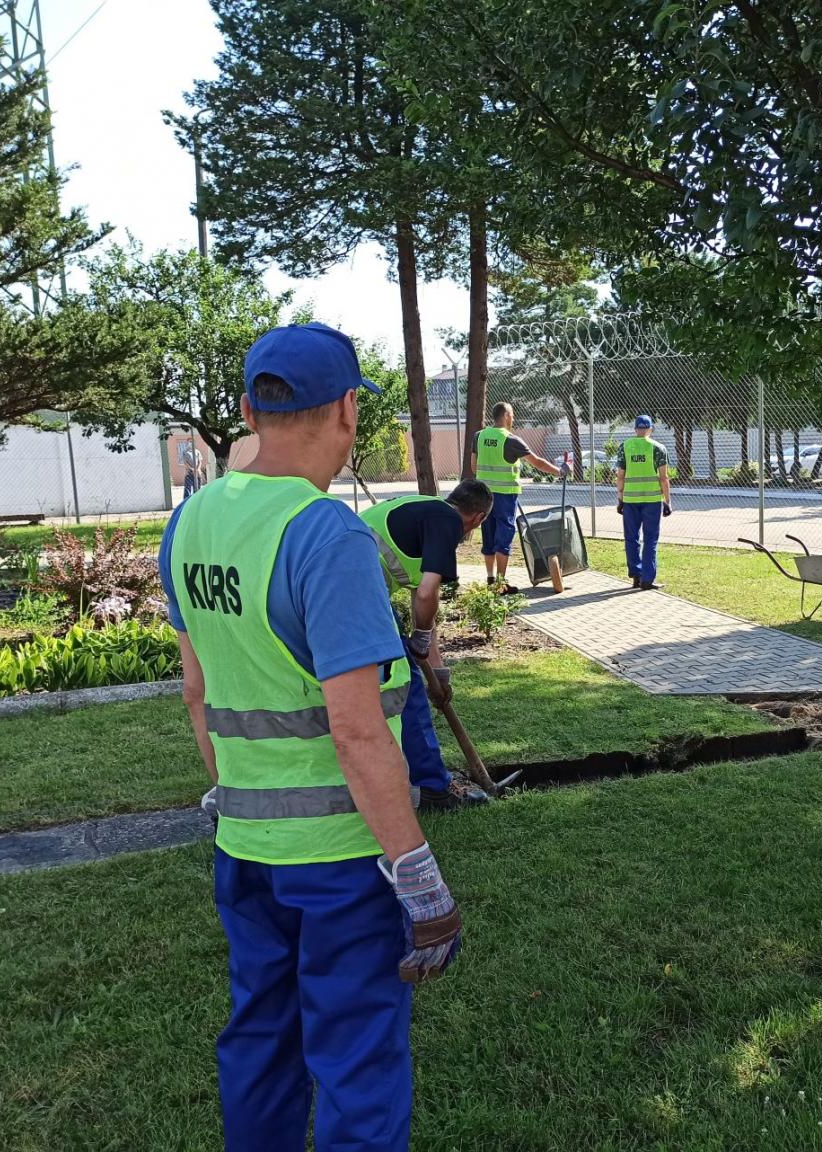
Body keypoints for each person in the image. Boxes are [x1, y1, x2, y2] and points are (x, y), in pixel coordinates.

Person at [159, 322, 460, 1151]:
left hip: (245, 848)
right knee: (358, 1057)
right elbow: (358, 731)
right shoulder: (325, 535)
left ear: (252, 410)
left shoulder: (188, 525)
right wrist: (419, 878)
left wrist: (234, 797)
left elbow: (196, 690)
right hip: (340, 861)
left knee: (261, 1040)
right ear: (349, 411)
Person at [360, 481, 495, 809]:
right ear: (477, 519)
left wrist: (437, 670)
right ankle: (433, 787)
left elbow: (423, 598)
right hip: (360, 588)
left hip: (338, 583)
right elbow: (426, 595)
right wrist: (420, 638)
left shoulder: (422, 511)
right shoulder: (447, 523)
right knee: (406, 688)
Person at [471, 400, 561, 592]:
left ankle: (490, 578)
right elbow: (537, 462)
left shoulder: (479, 436)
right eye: (511, 414)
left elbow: (473, 466)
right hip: (504, 497)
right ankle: (501, 584)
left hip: (483, 496)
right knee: (503, 537)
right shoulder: (510, 440)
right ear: (505, 416)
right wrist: (559, 472)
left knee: (488, 534)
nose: (513, 418)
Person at [615, 414, 673, 590]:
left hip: (630, 500)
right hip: (652, 501)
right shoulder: (658, 448)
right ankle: (647, 579)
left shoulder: (625, 447)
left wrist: (620, 498)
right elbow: (664, 478)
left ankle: (636, 575)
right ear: (651, 430)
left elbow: (620, 475)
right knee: (650, 539)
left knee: (631, 538)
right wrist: (667, 501)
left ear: (635, 429)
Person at [179, 435, 206, 501]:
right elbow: (185, 462)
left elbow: (200, 461)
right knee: (187, 489)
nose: (190, 443)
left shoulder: (197, 451)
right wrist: (191, 469)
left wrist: (198, 469)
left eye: (192, 442)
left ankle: (197, 501)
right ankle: (186, 502)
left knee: (197, 488)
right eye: (189, 442)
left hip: (197, 473)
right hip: (189, 473)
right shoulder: (185, 452)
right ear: (187, 443)